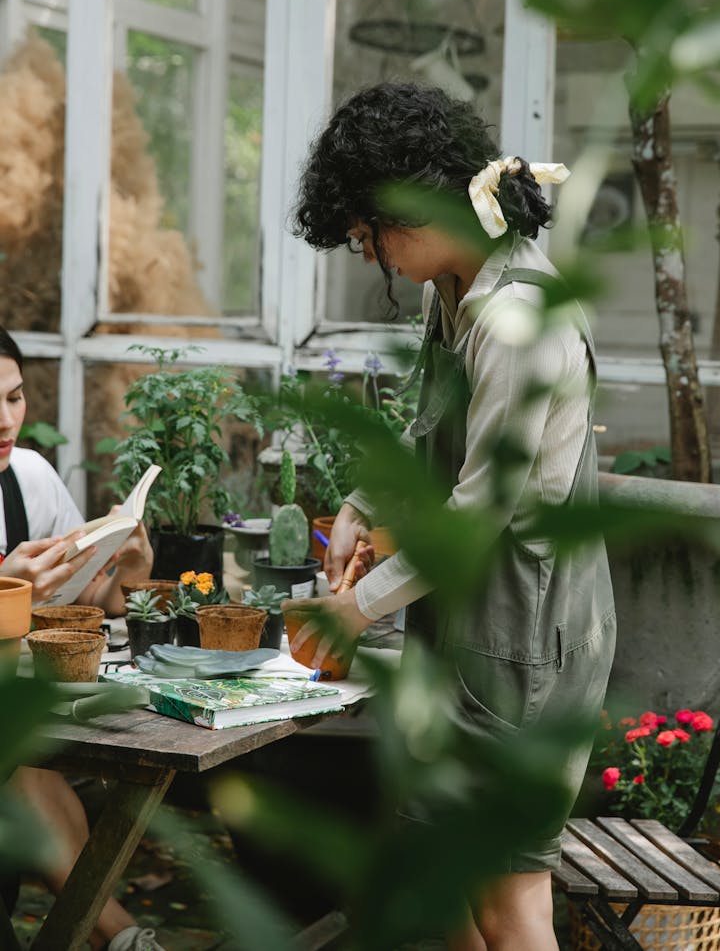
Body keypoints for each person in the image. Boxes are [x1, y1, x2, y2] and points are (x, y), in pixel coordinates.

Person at [289, 82, 616, 951]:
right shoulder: (461, 287)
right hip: (472, 623)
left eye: (370, 237)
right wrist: (365, 499)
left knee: (510, 904)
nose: (377, 260)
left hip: (521, 636)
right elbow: (432, 426)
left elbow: (475, 515)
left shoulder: (514, 320)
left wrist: (356, 607)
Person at [0, 326, 165, 951]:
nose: (5, 420)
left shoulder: (29, 479)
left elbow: (84, 607)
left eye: (15, 397)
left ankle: (112, 937)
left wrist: (127, 573)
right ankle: (121, 937)